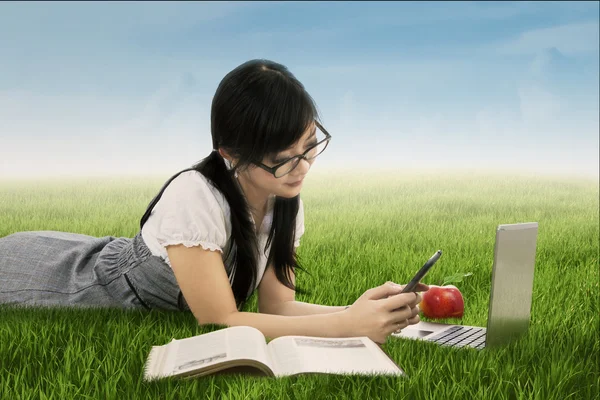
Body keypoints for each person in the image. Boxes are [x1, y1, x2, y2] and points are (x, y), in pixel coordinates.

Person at [0, 59, 428, 344]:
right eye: (283, 160)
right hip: (66, 279)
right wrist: (346, 327)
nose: (302, 167)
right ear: (230, 154)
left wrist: (361, 311)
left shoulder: (283, 195)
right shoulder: (194, 196)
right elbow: (219, 320)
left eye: (310, 144)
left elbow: (276, 306)